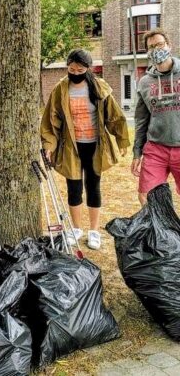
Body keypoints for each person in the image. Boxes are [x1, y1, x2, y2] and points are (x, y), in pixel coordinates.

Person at [40, 49, 129, 250]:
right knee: (74, 187)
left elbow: (114, 116)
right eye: (71, 69)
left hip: (95, 146)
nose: (75, 72)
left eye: (80, 69)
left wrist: (122, 140)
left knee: (93, 186)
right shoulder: (60, 89)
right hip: (71, 146)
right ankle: (76, 228)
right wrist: (49, 145)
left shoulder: (99, 87)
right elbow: (50, 121)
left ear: (88, 69)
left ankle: (94, 231)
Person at [131, 29, 180, 205]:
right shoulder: (144, 82)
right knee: (146, 196)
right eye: (151, 47)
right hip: (156, 149)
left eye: (159, 44)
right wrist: (137, 152)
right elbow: (141, 121)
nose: (156, 49)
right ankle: (160, 232)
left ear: (169, 45)